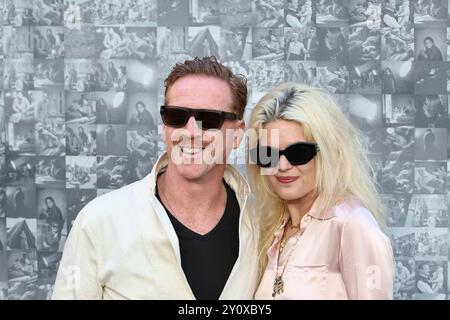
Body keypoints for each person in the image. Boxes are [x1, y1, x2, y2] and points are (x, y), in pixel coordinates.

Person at [52, 56, 258, 299]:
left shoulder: (264, 224)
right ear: (164, 126)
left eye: (208, 119)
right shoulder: (97, 223)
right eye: (176, 117)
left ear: (237, 134)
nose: (190, 132)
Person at [248, 83, 394, 299]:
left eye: (299, 152)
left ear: (328, 152)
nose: (282, 166)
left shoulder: (352, 225)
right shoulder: (272, 229)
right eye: (268, 154)